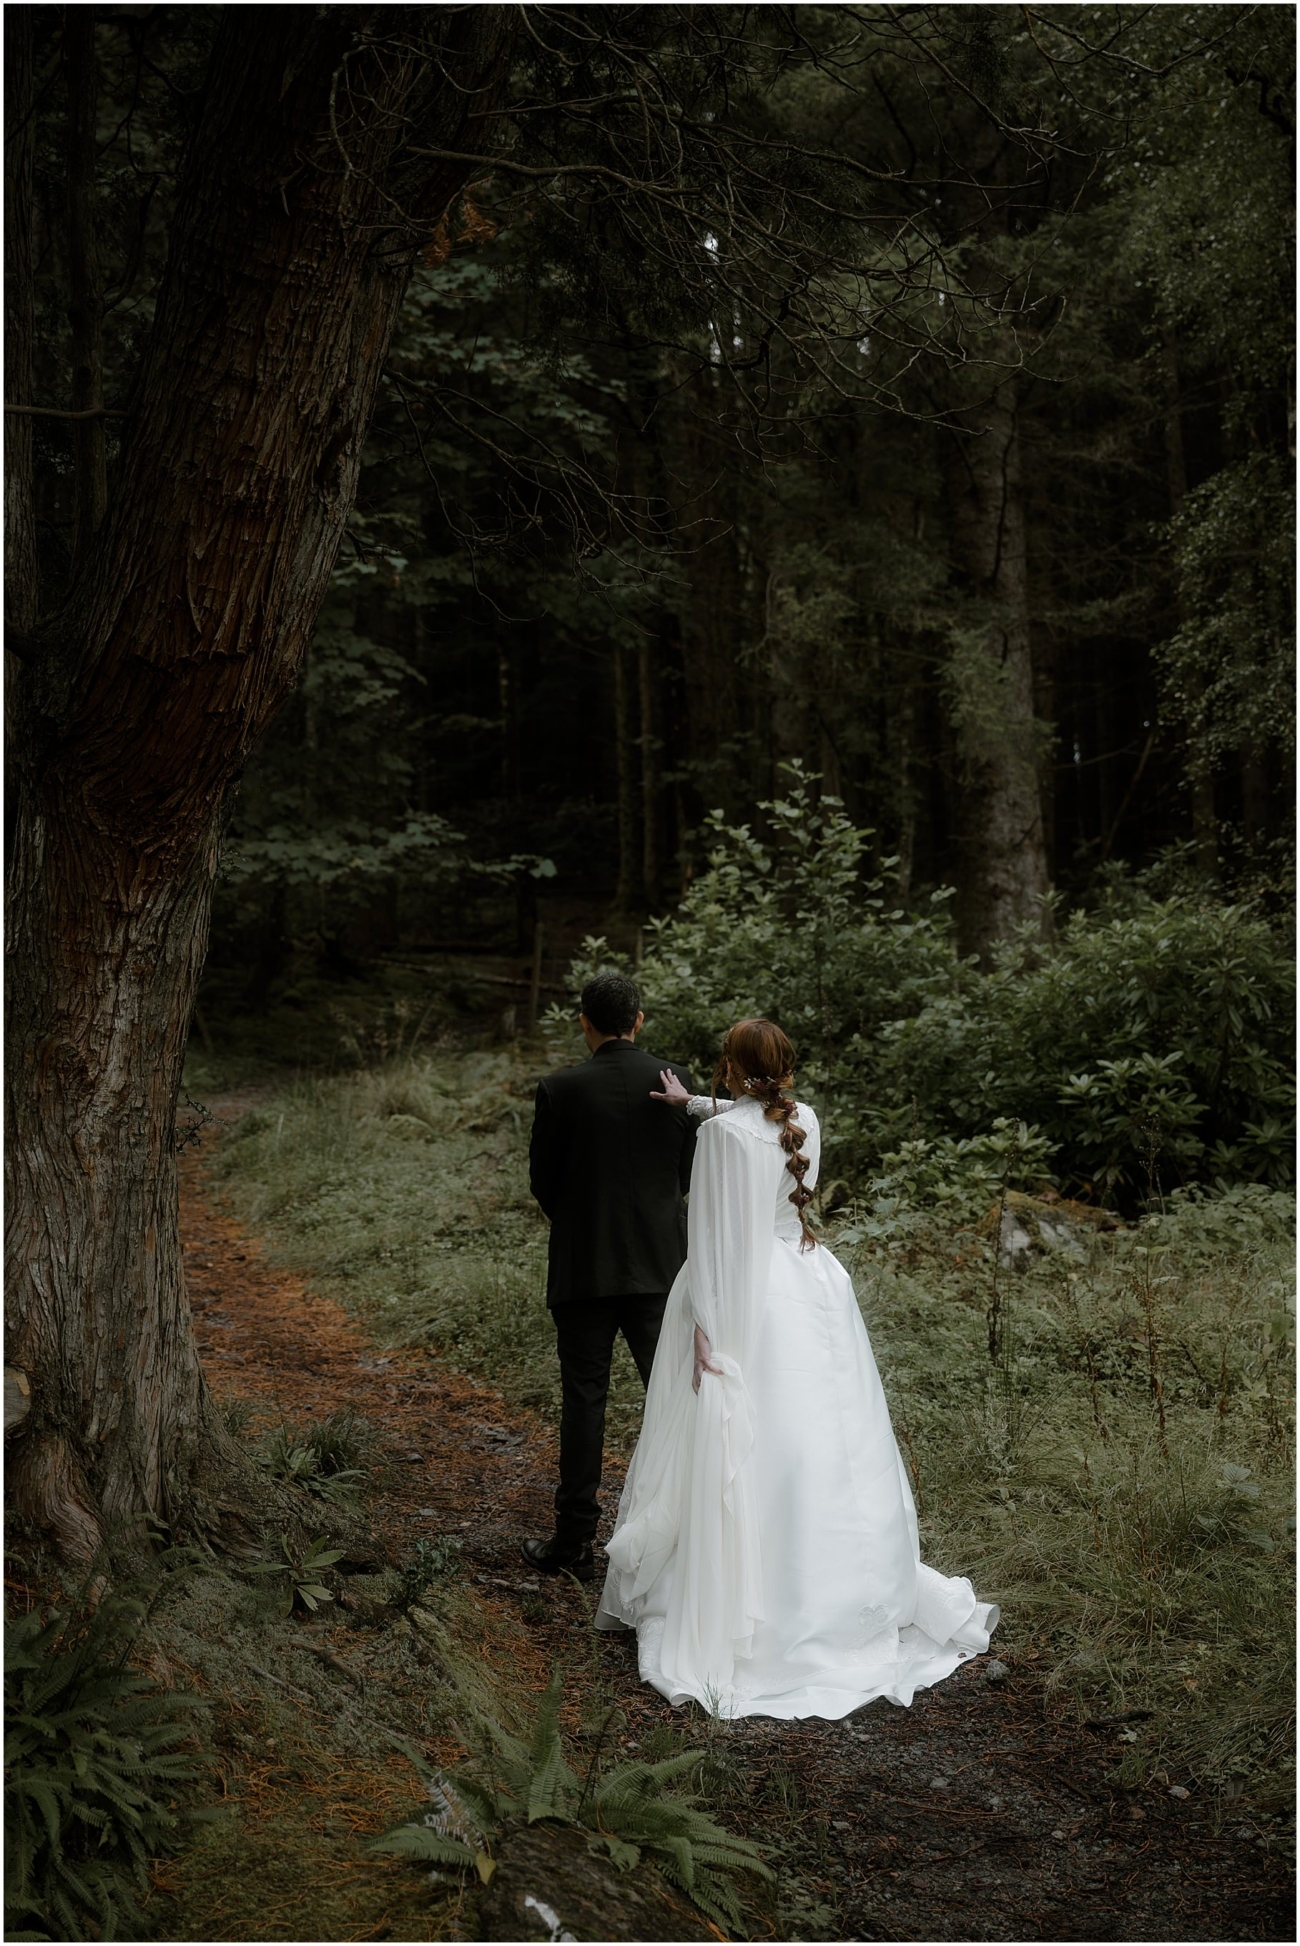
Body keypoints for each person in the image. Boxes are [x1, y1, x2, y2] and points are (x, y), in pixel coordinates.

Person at [595, 1016, 999, 1720]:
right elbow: (760, 1134)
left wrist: (707, 1330)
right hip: (809, 1284)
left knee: (752, 1439)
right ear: (784, 1069)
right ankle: (840, 1590)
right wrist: (690, 1103)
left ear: (728, 1066)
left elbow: (717, 1233)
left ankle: (748, 1602)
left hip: (744, 1292)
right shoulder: (803, 1117)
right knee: (821, 1437)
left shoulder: (721, 1136)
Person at [524, 971, 696, 1582]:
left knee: (584, 1399)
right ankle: (690, 1535)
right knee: (675, 1399)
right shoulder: (676, 1084)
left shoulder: (560, 1088)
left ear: (584, 1022)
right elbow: (685, 1177)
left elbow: (543, 1181)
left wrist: (581, 1222)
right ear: (639, 1019)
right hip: (660, 1271)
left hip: (583, 1267)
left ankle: (572, 1539)